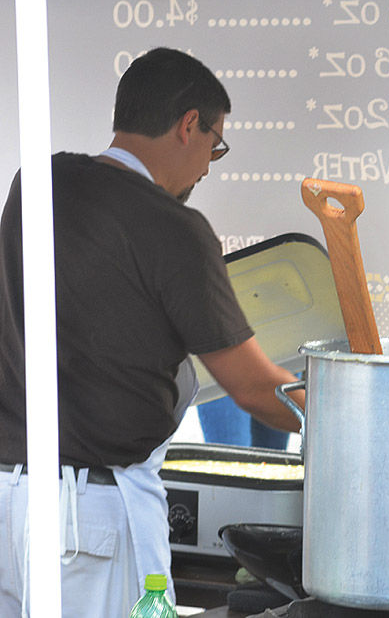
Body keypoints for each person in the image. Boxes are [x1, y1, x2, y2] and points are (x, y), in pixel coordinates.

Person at [0, 48, 304, 617]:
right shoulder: (177, 230)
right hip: (87, 520)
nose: (210, 166)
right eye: (216, 146)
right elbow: (256, 389)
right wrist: (350, 416)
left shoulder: (35, 184)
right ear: (190, 124)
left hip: (7, 499)